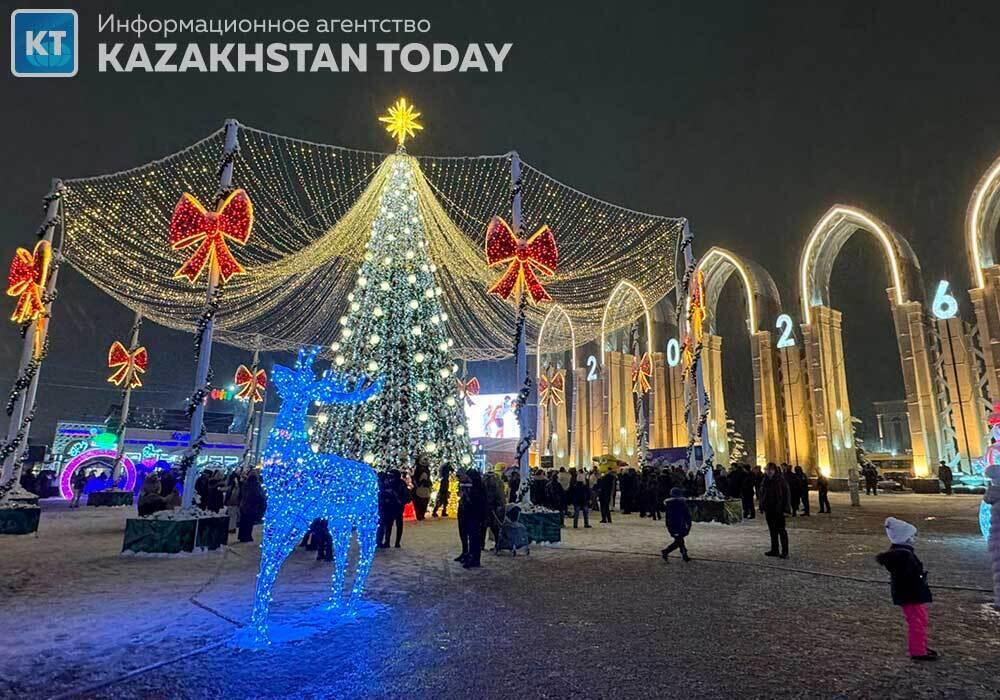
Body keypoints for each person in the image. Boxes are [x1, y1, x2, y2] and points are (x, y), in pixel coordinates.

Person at [876, 517, 937, 661]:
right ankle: (918, 651)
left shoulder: (901, 553)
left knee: (919, 620)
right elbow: (909, 577)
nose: (913, 539)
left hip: (909, 594)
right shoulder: (904, 556)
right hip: (911, 595)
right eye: (911, 536)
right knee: (917, 622)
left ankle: (920, 647)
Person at [761, 463, 789, 558]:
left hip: (779, 509)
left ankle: (785, 552)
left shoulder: (780, 480)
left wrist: (786, 509)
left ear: (774, 470)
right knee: (772, 531)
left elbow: (786, 495)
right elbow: (763, 494)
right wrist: (762, 505)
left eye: (770, 470)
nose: (768, 471)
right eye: (767, 469)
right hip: (769, 509)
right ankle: (775, 549)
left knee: (781, 530)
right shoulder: (765, 480)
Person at [461, 470, 488, 568]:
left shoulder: (477, 488)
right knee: (472, 537)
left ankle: (475, 559)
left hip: (475, 516)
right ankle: (472, 556)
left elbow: (478, 503)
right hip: (473, 515)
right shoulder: (476, 486)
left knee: (474, 538)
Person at [379, 469, 410, 548]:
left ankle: (395, 542)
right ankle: (388, 542)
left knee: (396, 525)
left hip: (397, 506)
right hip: (391, 506)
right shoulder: (391, 483)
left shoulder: (400, 483)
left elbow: (406, 495)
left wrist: (400, 500)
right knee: (390, 525)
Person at [661, 487, 692, 562]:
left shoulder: (669, 504)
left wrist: (668, 525)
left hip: (672, 524)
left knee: (679, 539)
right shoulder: (682, 503)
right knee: (679, 540)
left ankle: (684, 554)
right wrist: (688, 524)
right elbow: (686, 515)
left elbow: (668, 517)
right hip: (680, 524)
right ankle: (666, 551)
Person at [237, 470, 265, 543]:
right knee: (249, 523)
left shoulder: (245, 484)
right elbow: (259, 496)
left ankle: (242, 536)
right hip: (252, 506)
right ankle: (247, 536)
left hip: (244, 505)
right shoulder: (256, 485)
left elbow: (242, 494)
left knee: (243, 521)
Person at [482, 471, 506, 549]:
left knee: (487, 527)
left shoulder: (485, 481)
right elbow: (501, 496)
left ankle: (482, 545)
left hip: (489, 507)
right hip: (492, 507)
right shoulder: (498, 482)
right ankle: (497, 544)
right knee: (493, 527)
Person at [412, 455, 433, 520]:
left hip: (423, 487)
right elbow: (415, 478)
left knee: (422, 502)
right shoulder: (419, 469)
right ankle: (420, 514)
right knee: (421, 502)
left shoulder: (423, 469)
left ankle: (420, 514)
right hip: (421, 487)